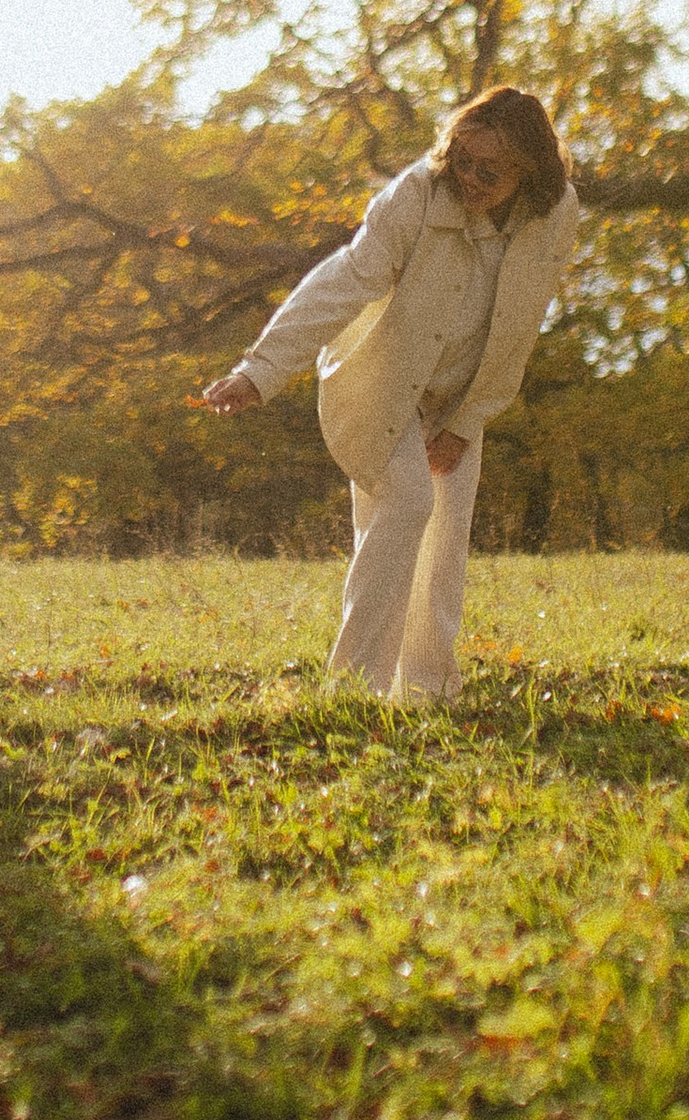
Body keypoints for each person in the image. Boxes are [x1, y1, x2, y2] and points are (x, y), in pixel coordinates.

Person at [200, 87, 579, 701]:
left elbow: (522, 319)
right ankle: (351, 692)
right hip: (378, 379)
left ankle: (426, 693)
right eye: (462, 158)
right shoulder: (417, 195)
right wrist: (260, 371)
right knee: (406, 503)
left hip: (460, 392)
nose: (472, 179)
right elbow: (345, 278)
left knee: (444, 543)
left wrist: (469, 417)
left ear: (529, 169)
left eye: (491, 169)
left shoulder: (555, 212)